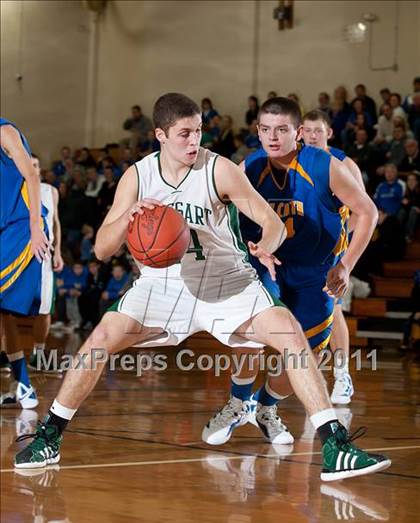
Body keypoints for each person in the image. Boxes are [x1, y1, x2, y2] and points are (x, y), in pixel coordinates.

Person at [14, 93, 390, 481]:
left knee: (291, 334)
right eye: (184, 134)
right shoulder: (138, 176)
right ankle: (49, 436)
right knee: (98, 341)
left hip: (228, 279)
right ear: (160, 134)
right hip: (164, 284)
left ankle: (335, 445)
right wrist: (129, 216)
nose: (194, 141)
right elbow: (102, 249)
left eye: (198, 132)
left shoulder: (220, 169)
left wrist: (267, 246)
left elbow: (272, 222)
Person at [203, 98, 378, 448]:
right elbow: (215, 212)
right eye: (265, 129)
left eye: (282, 129)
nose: (273, 136)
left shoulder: (325, 165)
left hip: (316, 271)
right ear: (257, 131)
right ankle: (238, 402)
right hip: (264, 263)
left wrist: (345, 265)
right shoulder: (248, 166)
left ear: (297, 132)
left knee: (304, 357)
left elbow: (368, 212)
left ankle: (266, 407)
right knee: (249, 335)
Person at [300, 110, 367, 405]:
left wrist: (339, 243)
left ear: (329, 133)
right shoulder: (293, 160)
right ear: (300, 132)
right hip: (300, 248)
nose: (313, 136)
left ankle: (342, 375)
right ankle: (306, 377)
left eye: (319, 131)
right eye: (309, 131)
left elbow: (362, 212)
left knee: (333, 307)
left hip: (333, 247)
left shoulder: (343, 163)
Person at [0, 118, 50, 408]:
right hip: (6, 227)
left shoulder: (5, 132)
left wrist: (35, 227)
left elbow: (32, 176)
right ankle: (24, 385)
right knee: (4, 314)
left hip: (22, 226)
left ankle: (23, 383)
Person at [27, 155, 64, 373]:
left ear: (40, 169)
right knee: (7, 309)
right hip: (20, 255)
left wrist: (58, 251)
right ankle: (3, 355)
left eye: (35, 165)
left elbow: (56, 222)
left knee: (44, 308)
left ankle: (37, 355)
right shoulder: (14, 188)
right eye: (28, 165)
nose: (32, 169)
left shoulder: (51, 191)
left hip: (45, 257)